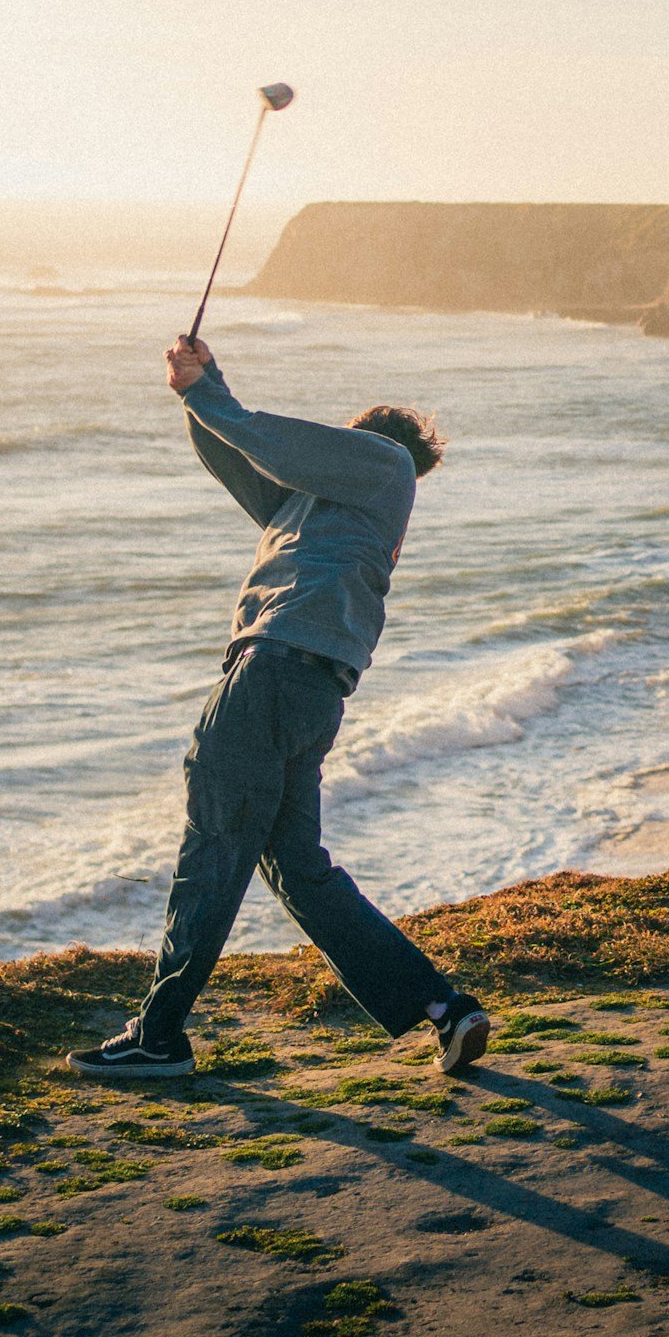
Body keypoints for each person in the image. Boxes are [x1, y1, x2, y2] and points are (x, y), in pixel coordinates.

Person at [68, 334, 489, 1080]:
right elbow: (239, 453)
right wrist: (199, 387)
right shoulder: (316, 507)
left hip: (269, 679)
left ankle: (159, 1037)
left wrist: (209, 392)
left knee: (211, 853)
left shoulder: (382, 463)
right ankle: (443, 1010)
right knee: (299, 870)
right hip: (307, 689)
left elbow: (275, 441)